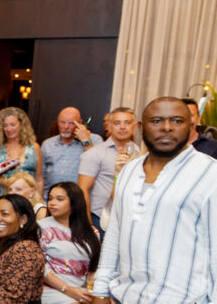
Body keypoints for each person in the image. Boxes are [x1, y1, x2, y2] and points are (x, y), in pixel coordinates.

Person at [91, 97, 217, 304]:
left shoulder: (210, 174)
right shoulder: (128, 171)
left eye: (177, 121)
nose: (167, 128)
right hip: (125, 297)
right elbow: (114, 235)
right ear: (141, 127)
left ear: (191, 126)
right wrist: (101, 291)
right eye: (156, 121)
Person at [77, 107, 140, 233]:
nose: (122, 127)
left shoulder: (137, 151)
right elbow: (82, 189)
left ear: (135, 126)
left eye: (127, 122)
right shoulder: (95, 153)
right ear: (109, 127)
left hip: (127, 218)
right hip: (100, 219)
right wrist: (88, 224)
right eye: (117, 123)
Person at [40, 182, 101, 304]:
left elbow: (92, 271)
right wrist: (68, 290)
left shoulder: (92, 233)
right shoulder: (41, 227)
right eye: (50, 198)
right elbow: (38, 267)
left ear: (74, 203)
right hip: (51, 290)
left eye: (59, 199)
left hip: (82, 291)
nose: (52, 203)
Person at [41, 107, 103, 190]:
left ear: (80, 123)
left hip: (80, 197)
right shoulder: (48, 144)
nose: (66, 127)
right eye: (62, 122)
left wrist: (86, 141)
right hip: (51, 196)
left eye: (71, 123)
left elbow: (96, 167)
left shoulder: (95, 140)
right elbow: (40, 176)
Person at [0, 107, 43, 196]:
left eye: (13, 125)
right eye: (5, 125)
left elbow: (39, 180)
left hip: (27, 200)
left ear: (21, 125)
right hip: (0, 197)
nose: (9, 129)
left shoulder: (34, 148)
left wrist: (39, 205)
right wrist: (5, 182)